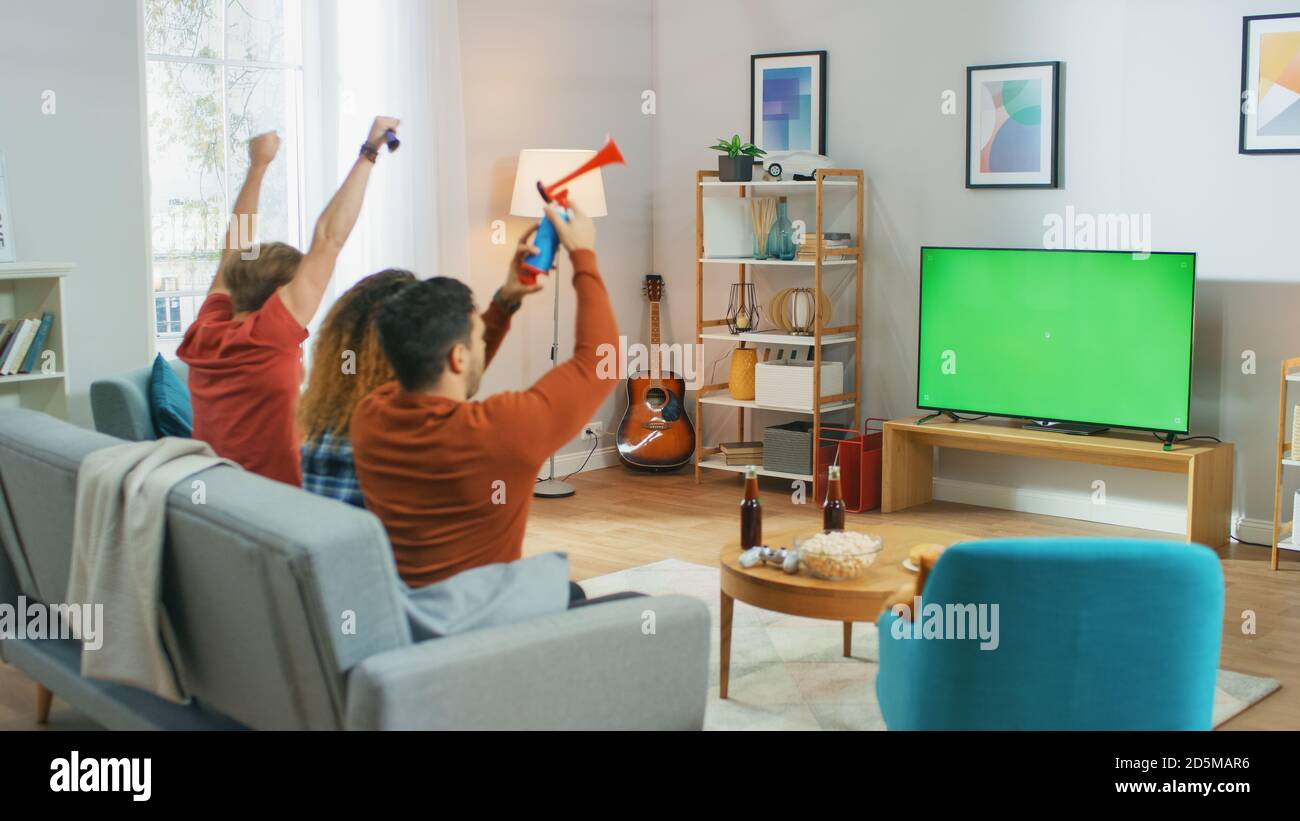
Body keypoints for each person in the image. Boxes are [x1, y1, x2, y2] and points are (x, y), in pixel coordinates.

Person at [351, 203, 618, 590]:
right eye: (478, 336)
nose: (483, 339)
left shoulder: (369, 417)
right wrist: (584, 256)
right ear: (459, 356)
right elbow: (601, 360)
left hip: (407, 617)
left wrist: (505, 302)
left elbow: (457, 377)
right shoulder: (501, 431)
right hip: (482, 628)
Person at [177, 116, 399, 485]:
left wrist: (258, 166)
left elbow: (234, 249)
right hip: (276, 502)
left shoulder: (206, 330)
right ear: (280, 294)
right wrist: (369, 152)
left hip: (214, 493)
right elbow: (330, 238)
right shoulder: (269, 335)